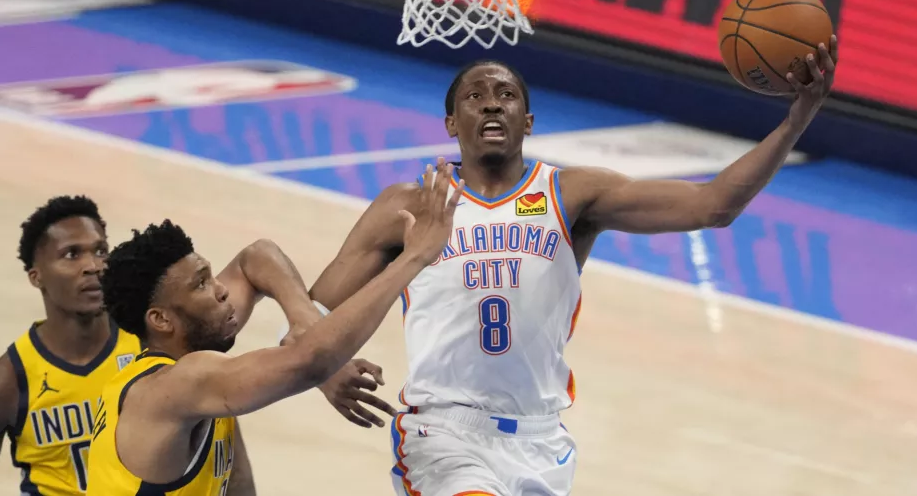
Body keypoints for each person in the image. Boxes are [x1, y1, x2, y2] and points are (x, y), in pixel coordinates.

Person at [310, 39, 839, 496]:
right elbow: (315, 306)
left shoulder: (572, 194)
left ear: (529, 120)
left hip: (541, 442)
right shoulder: (409, 204)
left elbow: (712, 205)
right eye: (475, 96)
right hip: (442, 434)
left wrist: (796, 121)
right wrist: (324, 369)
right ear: (452, 123)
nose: (492, 105)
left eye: (507, 95)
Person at [84, 160, 463, 495]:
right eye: (201, 283)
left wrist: (305, 322)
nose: (220, 290)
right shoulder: (174, 385)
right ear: (161, 320)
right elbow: (310, 360)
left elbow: (256, 258)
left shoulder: (188, 358)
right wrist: (415, 257)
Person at [0, 195, 141, 496]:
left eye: (101, 251)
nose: (94, 266)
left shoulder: (145, 343)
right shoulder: (10, 378)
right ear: (36, 277)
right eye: (71, 254)